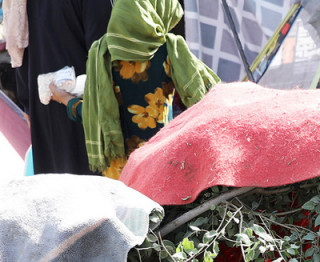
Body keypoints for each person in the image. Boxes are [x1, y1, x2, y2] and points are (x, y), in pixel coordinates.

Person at [48, 0, 218, 179]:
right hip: (161, 161)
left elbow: (96, 116)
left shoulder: (102, 53)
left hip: (121, 174)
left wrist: (65, 99)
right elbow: (205, 95)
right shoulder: (170, 49)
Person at [15, 0, 114, 175]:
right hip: (84, 105)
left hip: (43, 101)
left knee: (58, 188)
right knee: (94, 187)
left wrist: (27, 102)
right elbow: (103, 49)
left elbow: (17, 48)